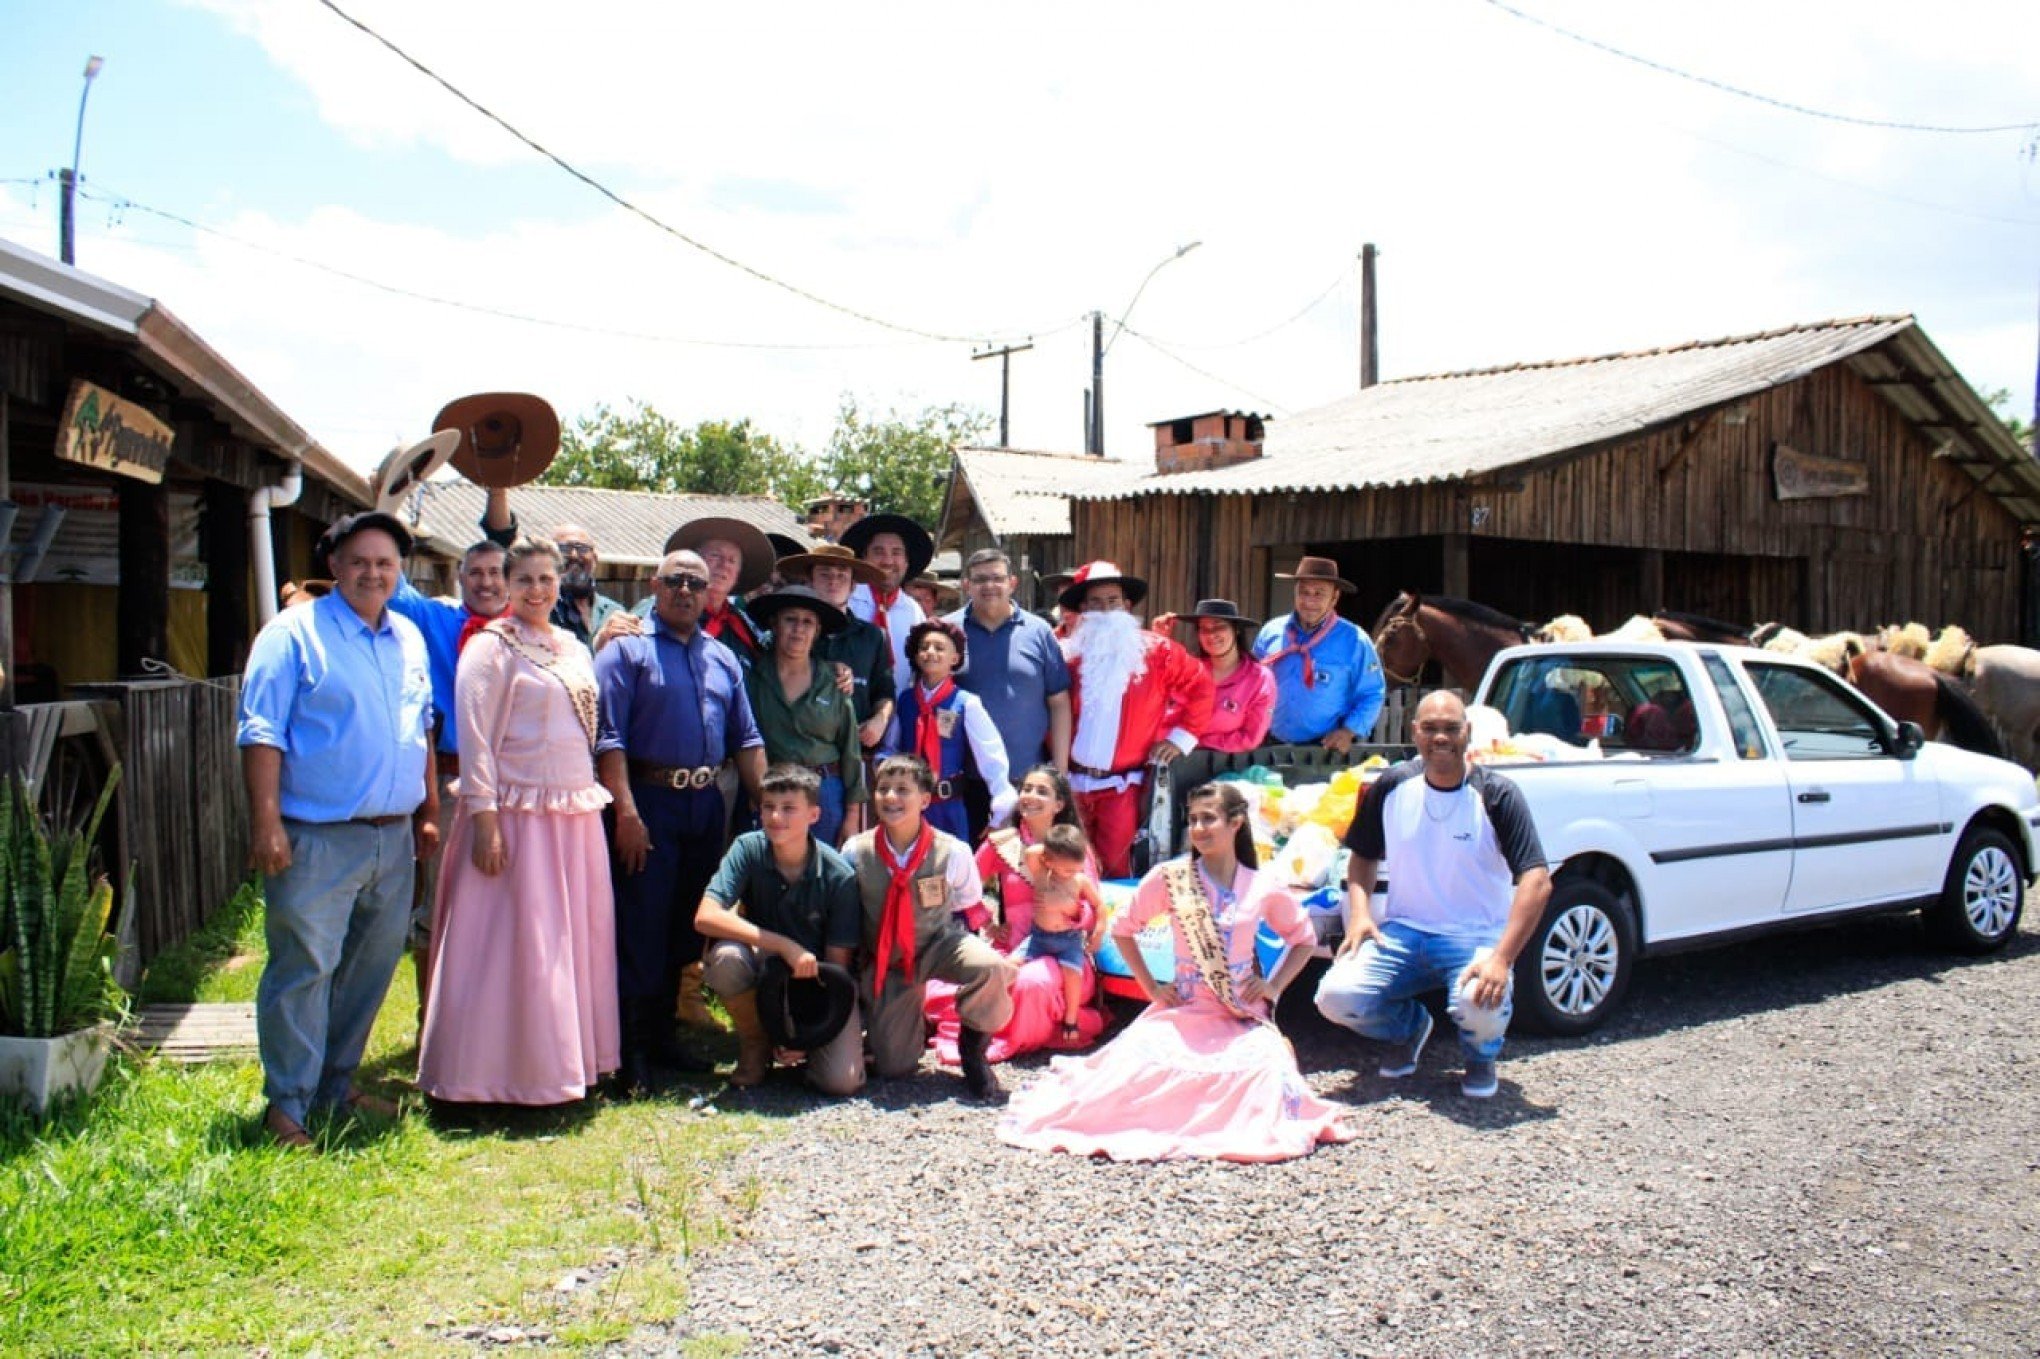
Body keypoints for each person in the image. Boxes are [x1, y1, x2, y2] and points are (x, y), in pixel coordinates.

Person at [997, 782, 1355, 1162]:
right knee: (1134, 1071)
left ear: (1236, 823)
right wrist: (1152, 987)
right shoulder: (1171, 877)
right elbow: (1123, 928)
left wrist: (1274, 986)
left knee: (1263, 1070)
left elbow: (1303, 938)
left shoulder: (1262, 885)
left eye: (1209, 819)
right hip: (1182, 1008)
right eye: (1193, 819)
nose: (1198, 828)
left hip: (1238, 1015)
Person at [237, 511, 437, 1148]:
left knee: (368, 969)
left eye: (385, 563)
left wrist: (428, 811)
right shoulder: (293, 634)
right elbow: (261, 731)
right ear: (335, 566)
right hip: (317, 836)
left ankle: (334, 1083)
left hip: (392, 836)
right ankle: (287, 1105)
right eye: (360, 561)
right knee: (305, 967)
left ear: (398, 570)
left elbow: (422, 728)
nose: (373, 573)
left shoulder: (407, 636)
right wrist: (266, 823)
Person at [416, 538, 619, 1105]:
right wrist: (484, 819)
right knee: (513, 949)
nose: (537, 590)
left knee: (565, 946)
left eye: (546, 579)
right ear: (507, 585)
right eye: (525, 579)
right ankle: (484, 1079)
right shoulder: (490, 648)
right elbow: (476, 740)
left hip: (570, 814)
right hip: (515, 814)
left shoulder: (573, 648)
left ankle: (564, 1068)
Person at [1313, 690, 1553, 1099]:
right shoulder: (1391, 786)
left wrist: (1501, 958)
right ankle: (1408, 1030)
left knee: (1481, 1002)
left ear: (1467, 732)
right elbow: (1362, 858)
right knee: (1335, 997)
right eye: (1430, 728)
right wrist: (1360, 916)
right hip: (1404, 931)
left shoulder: (1497, 795)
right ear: (1415, 733)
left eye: (1450, 728)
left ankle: (1480, 1055)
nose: (1440, 737)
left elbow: (1537, 880)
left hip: (1476, 936)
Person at [594, 548, 767, 1092]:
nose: (686, 591)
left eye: (696, 582)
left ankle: (667, 1037)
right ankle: (631, 1051)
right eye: (675, 582)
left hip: (704, 804)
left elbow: (747, 738)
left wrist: (769, 808)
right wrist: (625, 811)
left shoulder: (723, 658)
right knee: (641, 925)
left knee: (682, 926)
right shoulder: (625, 651)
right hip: (646, 801)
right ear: (654, 585)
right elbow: (609, 738)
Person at [842, 754, 1016, 1098]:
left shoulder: (952, 851)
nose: (890, 797)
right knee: (895, 1067)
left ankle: (973, 1050)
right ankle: (909, 1022)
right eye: (883, 789)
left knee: (994, 969)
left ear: (925, 799)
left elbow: (967, 900)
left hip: (938, 944)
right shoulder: (855, 851)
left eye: (902, 790)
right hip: (887, 960)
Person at [695, 764, 864, 1094]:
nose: (775, 817)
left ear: (814, 815)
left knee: (840, 1082)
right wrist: (784, 945)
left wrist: (802, 1036)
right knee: (726, 958)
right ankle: (757, 1042)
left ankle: (804, 1048)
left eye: (789, 809)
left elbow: (836, 971)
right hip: (766, 965)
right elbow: (705, 916)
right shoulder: (747, 848)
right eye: (769, 807)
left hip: (816, 979)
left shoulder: (839, 876)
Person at [922, 765, 1107, 1064]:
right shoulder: (1002, 843)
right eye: (1027, 789)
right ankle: (1019, 1027)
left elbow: (1093, 909)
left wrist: (1068, 911)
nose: (1030, 796)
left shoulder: (1074, 848)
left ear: (1059, 805)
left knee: (1029, 985)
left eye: (1042, 791)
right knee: (942, 986)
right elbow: (963, 887)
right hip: (1016, 947)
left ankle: (1005, 1036)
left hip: (1063, 955)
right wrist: (987, 924)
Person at [1058, 561, 1214, 879]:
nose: (1105, 611)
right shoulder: (1066, 653)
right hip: (1070, 783)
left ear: (1127, 606)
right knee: (1069, 867)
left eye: (1113, 601)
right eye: (1095, 603)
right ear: (1083, 609)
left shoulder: (1157, 652)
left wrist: (1181, 738)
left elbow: (1201, 686)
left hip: (1122, 788)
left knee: (1117, 868)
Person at [743, 585, 868, 846]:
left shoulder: (833, 681)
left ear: (817, 631)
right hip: (773, 793)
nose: (798, 628)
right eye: (790, 619)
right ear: (775, 625)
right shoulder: (753, 679)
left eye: (807, 622)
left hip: (825, 792)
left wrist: (853, 816)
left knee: (823, 876)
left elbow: (850, 750)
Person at [945, 547, 1072, 776]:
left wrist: (1060, 770)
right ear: (966, 585)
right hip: (963, 778)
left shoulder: (1039, 632)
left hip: (1027, 776)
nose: (989, 586)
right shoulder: (947, 631)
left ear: (1012, 583)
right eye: (980, 579)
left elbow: (1059, 702)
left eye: (997, 578)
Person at [887, 618, 1015, 842]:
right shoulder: (905, 701)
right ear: (916, 657)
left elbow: (991, 755)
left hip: (948, 807)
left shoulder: (966, 703)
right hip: (907, 806)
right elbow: (891, 748)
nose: (931, 652)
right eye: (924, 647)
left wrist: (1002, 805)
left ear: (954, 658)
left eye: (939, 648)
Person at [1252, 556, 1385, 751]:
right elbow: (1251, 680)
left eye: (1319, 593)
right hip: (1267, 744)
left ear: (1335, 597)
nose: (1309, 601)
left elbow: (1372, 693)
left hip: (1323, 749)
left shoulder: (1355, 641)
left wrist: (1348, 731)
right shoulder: (1271, 631)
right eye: (1303, 592)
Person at [779, 542, 895, 757]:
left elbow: (884, 692)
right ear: (810, 582)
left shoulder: (873, 636)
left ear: (852, 585)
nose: (833, 581)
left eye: (841, 575)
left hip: (858, 752)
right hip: (799, 754)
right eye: (824, 574)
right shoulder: (791, 634)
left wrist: (880, 720)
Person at [1016, 824, 1106, 1044]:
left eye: (1077, 868)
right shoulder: (1041, 872)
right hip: (1038, 938)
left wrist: (1100, 930)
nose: (1072, 873)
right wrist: (1052, 849)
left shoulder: (1079, 881)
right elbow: (1031, 852)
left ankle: (1071, 1021)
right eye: (1067, 869)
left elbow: (1100, 905)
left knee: (1072, 976)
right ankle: (1002, 1014)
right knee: (1008, 965)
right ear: (1049, 861)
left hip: (1067, 940)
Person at [1152, 599, 1275, 754]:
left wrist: (1188, 741)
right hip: (1164, 759)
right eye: (1204, 629)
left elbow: (1250, 738)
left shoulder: (1260, 679)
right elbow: (1153, 694)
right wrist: (1159, 640)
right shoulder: (1189, 670)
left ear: (1236, 630)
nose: (1211, 634)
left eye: (1219, 626)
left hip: (1221, 770)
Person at [840, 513, 933, 689]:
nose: (888, 561)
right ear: (863, 559)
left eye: (896, 553)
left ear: (906, 562)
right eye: (878, 552)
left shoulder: (914, 612)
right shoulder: (845, 602)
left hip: (898, 713)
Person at [550, 523, 626, 652]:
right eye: (564, 549)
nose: (574, 555)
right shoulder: (544, 608)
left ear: (595, 559)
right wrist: (599, 642)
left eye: (582, 548)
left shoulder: (614, 611)